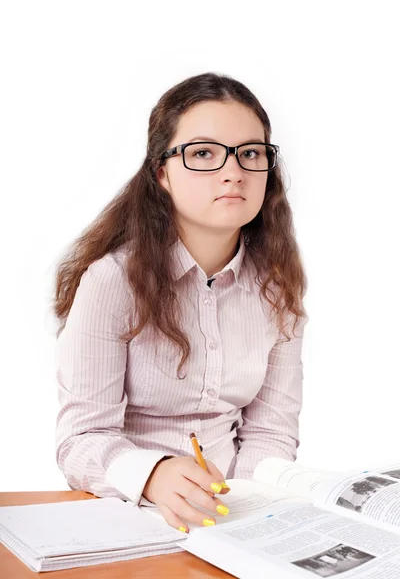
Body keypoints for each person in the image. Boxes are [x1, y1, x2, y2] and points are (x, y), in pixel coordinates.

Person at [53, 71, 309, 533]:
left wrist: (245, 515)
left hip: (230, 519)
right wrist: (153, 475)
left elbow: (271, 431)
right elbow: (80, 441)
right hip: (127, 513)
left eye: (250, 153)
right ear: (162, 173)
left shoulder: (279, 287)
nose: (233, 171)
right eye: (204, 153)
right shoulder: (112, 281)